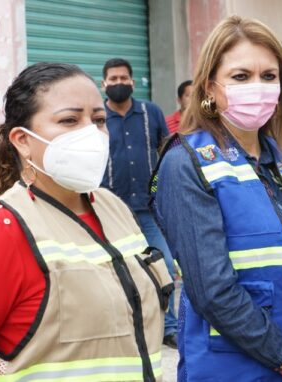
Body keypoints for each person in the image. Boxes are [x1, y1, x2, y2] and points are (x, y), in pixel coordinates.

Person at [0, 62, 172, 381]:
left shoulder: (113, 207)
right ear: (22, 140)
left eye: (98, 120)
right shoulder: (1, 228)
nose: (90, 134)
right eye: (69, 120)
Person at [152, 16, 282, 382]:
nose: (258, 88)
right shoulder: (185, 163)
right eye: (241, 77)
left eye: (269, 77)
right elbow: (213, 292)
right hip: (234, 370)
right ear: (211, 88)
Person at [100, 57, 178, 347]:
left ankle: (168, 327)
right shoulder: (98, 118)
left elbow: (167, 150)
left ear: (132, 82)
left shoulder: (150, 112)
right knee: (114, 272)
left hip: (149, 208)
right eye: (113, 79)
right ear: (103, 83)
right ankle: (127, 329)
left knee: (164, 266)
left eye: (124, 79)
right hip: (111, 210)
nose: (119, 84)